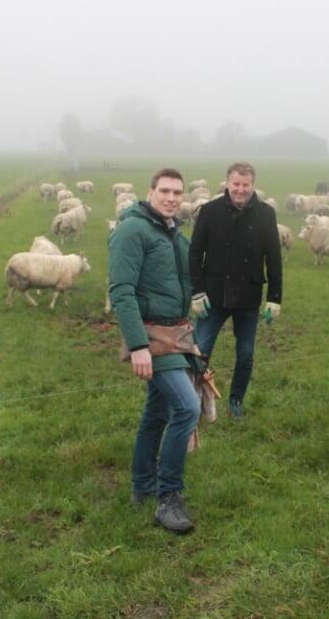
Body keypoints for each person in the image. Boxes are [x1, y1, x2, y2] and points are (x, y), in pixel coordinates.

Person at [108, 167, 202, 534]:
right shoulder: (133, 230)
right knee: (187, 408)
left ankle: (142, 485)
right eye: (165, 191)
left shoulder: (173, 232)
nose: (172, 198)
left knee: (157, 411)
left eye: (177, 193)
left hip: (175, 332)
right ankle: (168, 497)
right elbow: (121, 290)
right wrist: (137, 346)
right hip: (152, 336)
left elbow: (186, 276)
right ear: (150, 192)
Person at [188, 162, 283, 419]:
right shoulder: (209, 211)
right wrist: (196, 291)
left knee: (245, 355)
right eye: (236, 184)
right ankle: (194, 401)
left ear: (253, 185)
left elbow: (274, 258)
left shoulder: (265, 214)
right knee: (199, 351)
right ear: (227, 183)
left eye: (246, 185)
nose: (241, 190)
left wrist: (275, 298)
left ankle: (236, 400)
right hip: (213, 296)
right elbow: (195, 253)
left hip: (248, 297)